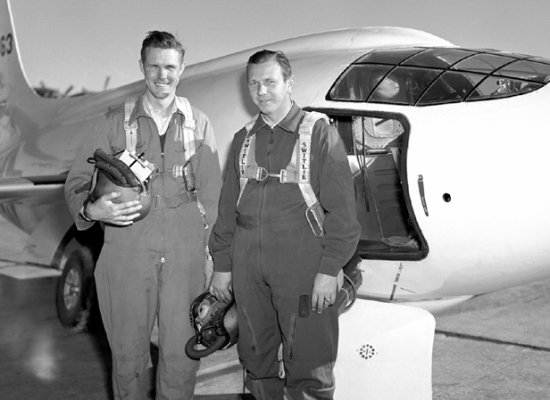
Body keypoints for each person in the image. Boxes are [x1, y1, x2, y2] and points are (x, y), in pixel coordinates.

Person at [64, 31, 221, 400]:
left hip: (186, 253)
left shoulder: (199, 123)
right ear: (142, 68)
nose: (162, 75)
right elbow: (75, 181)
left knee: (182, 357)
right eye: (154, 66)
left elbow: (213, 198)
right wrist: (91, 209)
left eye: (170, 67)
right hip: (126, 252)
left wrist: (216, 261)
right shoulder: (113, 122)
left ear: (181, 69)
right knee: (128, 357)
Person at [209, 50, 360, 400]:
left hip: (303, 269)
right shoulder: (242, 140)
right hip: (249, 268)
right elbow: (227, 210)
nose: (261, 91)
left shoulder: (319, 135)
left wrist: (329, 269)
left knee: (309, 361)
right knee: (255, 358)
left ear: (289, 83)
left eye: (270, 82)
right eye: (254, 83)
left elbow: (344, 216)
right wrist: (222, 266)